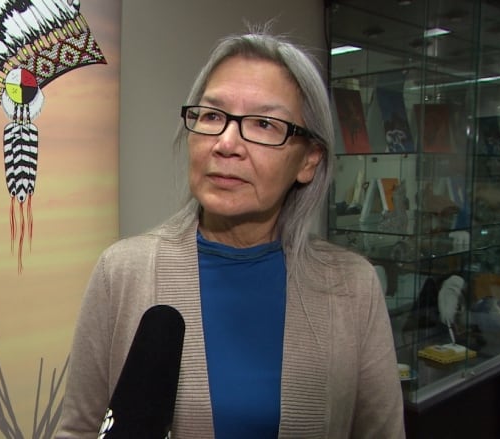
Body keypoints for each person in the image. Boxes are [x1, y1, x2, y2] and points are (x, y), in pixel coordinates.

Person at [56, 29, 404, 438]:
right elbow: (78, 429)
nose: (225, 143)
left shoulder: (353, 287)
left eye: (263, 123)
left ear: (308, 160)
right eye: (212, 116)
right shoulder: (124, 272)